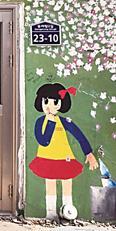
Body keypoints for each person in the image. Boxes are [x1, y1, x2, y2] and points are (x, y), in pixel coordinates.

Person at [29, 83, 98, 221]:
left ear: (61, 104)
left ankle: (68, 211)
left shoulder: (65, 121)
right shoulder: (40, 122)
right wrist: (50, 123)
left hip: (65, 158)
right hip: (46, 158)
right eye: (46, 101)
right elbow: (44, 141)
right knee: (50, 184)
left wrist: (89, 153)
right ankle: (51, 213)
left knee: (67, 184)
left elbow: (79, 136)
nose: (49, 106)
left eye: (55, 102)